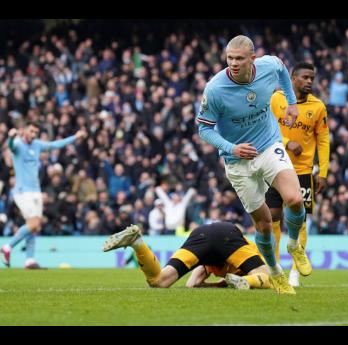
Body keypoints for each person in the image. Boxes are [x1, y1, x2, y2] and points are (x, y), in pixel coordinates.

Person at [196, 35, 309, 294]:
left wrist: (291, 102)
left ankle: (293, 245)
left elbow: (282, 69)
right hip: (237, 161)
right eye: (229, 58)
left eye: (239, 58)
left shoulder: (269, 66)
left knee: (294, 199)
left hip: (268, 145)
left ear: (252, 58)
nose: (233, 63)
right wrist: (231, 147)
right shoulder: (215, 89)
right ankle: (275, 271)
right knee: (265, 223)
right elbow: (204, 129)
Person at [266, 62, 330, 286]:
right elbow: (265, 129)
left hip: (303, 171)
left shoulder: (318, 107)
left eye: (312, 77)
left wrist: (323, 172)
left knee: (300, 221)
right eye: (305, 77)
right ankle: (273, 268)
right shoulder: (276, 99)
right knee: (272, 218)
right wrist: (286, 142)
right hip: (275, 166)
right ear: (292, 79)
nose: (310, 81)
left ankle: (294, 270)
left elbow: (323, 140)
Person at [1, 121, 86, 268]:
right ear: (24, 130)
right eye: (31, 131)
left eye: (35, 132)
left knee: (33, 226)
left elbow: (55, 145)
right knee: (34, 223)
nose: (33, 135)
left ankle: (29, 260)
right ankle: (8, 247)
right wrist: (10, 137)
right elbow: (11, 147)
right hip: (22, 191)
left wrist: (75, 137)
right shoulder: (18, 144)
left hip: (36, 191)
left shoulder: (37, 145)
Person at [103, 222, 271, 290]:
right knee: (270, 278)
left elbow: (192, 284)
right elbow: (265, 274)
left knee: (159, 281)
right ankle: (246, 282)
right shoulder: (250, 248)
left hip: (200, 235)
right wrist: (222, 284)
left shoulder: (207, 264)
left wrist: (216, 284)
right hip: (228, 234)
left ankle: (138, 243)